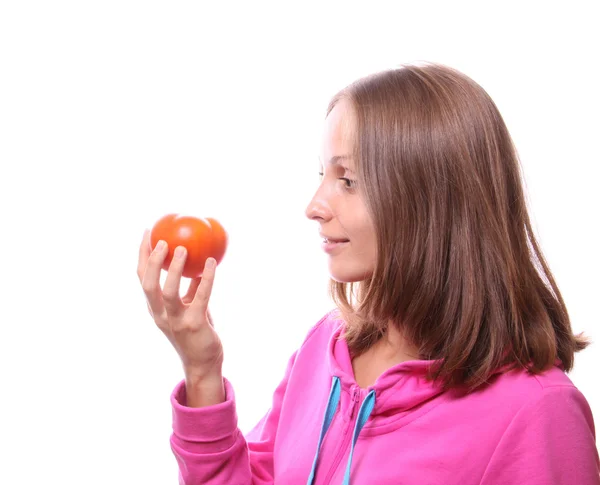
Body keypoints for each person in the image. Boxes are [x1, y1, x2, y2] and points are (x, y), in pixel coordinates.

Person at [137, 62, 600, 485]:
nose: (314, 207)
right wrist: (202, 371)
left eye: (348, 181)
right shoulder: (324, 350)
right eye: (323, 175)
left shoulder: (539, 413)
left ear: (429, 201)